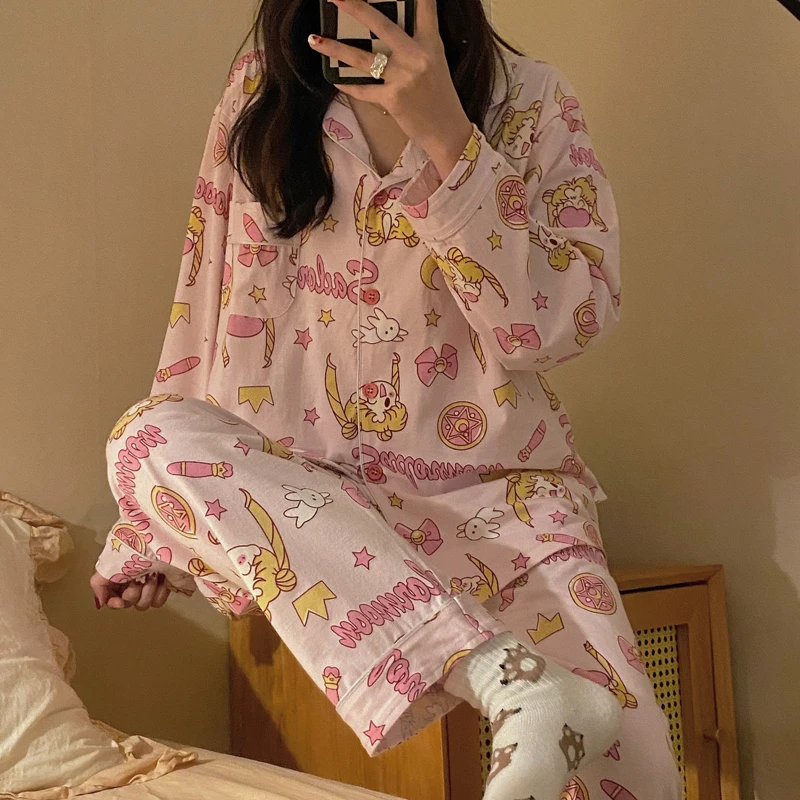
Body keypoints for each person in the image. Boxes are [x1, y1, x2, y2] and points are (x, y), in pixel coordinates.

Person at [90, 1, 682, 798]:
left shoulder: (531, 101)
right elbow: (205, 298)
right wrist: (151, 526)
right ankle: (507, 678)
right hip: (319, 510)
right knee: (145, 439)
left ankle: (524, 689)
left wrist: (447, 136)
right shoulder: (261, 96)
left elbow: (555, 328)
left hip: (502, 500)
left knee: (637, 774)